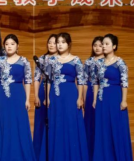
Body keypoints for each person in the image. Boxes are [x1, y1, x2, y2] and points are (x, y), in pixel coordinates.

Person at [42, 33, 88, 161]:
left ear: (69, 44)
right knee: (56, 123)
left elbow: (81, 80)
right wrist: (47, 97)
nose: (60, 45)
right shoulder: (51, 60)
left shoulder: (76, 60)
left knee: (71, 123)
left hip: (71, 95)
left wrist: (80, 98)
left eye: (63, 42)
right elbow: (47, 80)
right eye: (58, 42)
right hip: (55, 95)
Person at [0, 35, 36, 161]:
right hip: (2, 96)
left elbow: (28, 81)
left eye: (12, 44)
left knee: (19, 124)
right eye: (6, 44)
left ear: (17, 46)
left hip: (18, 96)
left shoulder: (24, 61)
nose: (9, 46)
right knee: (4, 124)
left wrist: (27, 99)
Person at [93, 34, 133, 161]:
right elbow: (95, 82)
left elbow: (124, 82)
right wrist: (95, 99)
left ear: (114, 46)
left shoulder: (120, 62)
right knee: (102, 128)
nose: (103, 46)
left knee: (116, 127)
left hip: (115, 97)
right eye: (103, 44)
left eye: (106, 44)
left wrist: (124, 100)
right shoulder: (99, 63)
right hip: (102, 98)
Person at [33, 34, 58, 159]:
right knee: (41, 121)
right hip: (43, 91)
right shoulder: (42, 59)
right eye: (49, 42)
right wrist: (36, 95)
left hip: (58, 91)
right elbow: (37, 78)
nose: (51, 45)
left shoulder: (63, 59)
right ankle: (39, 154)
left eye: (54, 42)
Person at [84, 36, 104, 161]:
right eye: (95, 45)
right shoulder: (88, 62)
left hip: (104, 93)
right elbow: (84, 81)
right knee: (90, 121)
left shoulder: (107, 61)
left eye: (100, 45)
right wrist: (83, 98)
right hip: (90, 93)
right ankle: (90, 153)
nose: (97, 48)